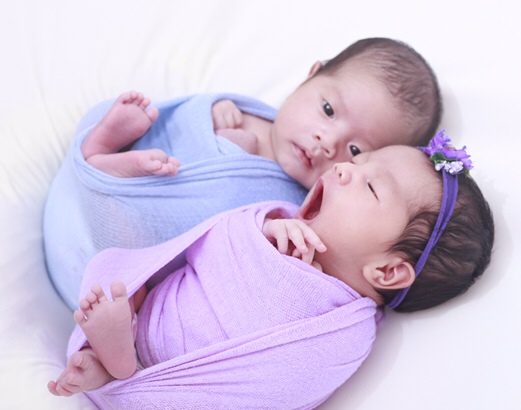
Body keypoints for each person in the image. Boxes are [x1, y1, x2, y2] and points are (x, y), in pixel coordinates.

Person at [47, 129, 494, 410]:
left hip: (197, 389)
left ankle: (121, 368)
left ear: (387, 272)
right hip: (154, 314)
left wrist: (290, 272)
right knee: (128, 282)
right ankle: (116, 354)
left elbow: (283, 381)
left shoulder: (346, 331)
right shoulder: (277, 220)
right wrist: (261, 231)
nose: (344, 168)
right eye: (359, 159)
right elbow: (213, 242)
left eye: (372, 188)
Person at [43, 38, 443, 310]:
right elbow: (182, 121)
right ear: (311, 75)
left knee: (158, 288)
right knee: (144, 132)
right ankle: (106, 157)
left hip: (108, 283)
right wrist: (211, 118)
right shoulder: (242, 110)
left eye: (355, 150)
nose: (327, 142)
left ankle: (106, 163)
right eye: (327, 110)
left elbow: (235, 257)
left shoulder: (304, 207)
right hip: (87, 212)